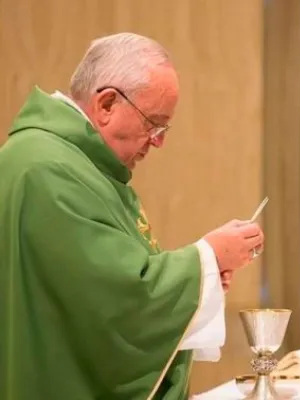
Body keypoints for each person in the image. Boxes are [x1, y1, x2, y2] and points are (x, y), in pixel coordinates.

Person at [0, 32, 264, 400]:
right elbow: (117, 305)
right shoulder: (48, 169)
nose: (158, 141)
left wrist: (201, 281)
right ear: (107, 103)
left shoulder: (75, 163)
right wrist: (208, 257)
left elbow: (111, 276)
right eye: (153, 124)